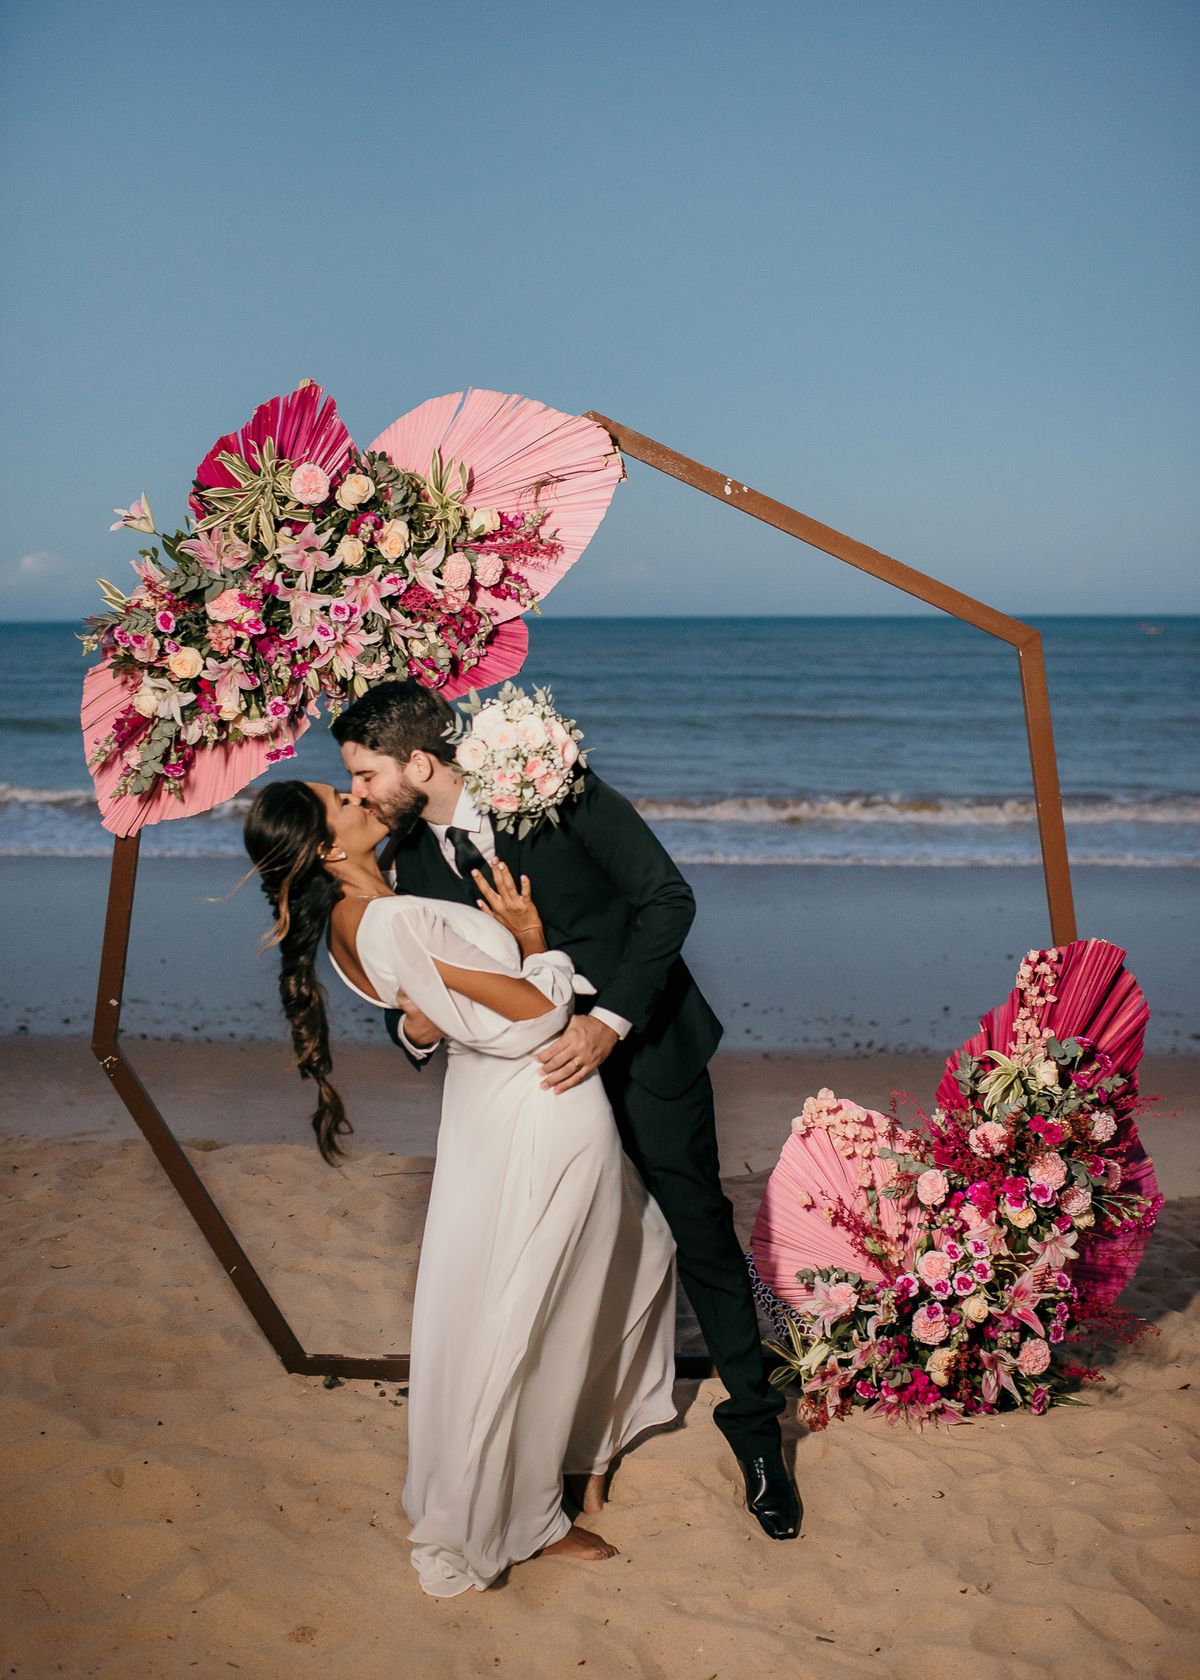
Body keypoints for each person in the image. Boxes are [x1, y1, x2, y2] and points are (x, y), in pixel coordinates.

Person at [331, 680, 801, 1541]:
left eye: (365, 773)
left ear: (419, 763)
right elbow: (429, 1009)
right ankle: (560, 1448)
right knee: (556, 1262)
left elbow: (668, 898)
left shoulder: (552, 784)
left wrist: (607, 1023)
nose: (358, 792)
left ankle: (758, 1434)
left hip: (644, 1046)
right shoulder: (408, 864)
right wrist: (418, 1031)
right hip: (533, 1095)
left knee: (698, 1231)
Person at [243, 780, 677, 1597]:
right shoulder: (395, 917)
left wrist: (444, 1004)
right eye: (341, 797)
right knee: (542, 1299)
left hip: (488, 1112)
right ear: (327, 846)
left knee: (564, 1277)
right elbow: (535, 1020)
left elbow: (440, 1014)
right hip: (541, 1101)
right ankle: (525, 1512)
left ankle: (553, 1471)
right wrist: (538, 943)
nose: (358, 794)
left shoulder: (356, 922)